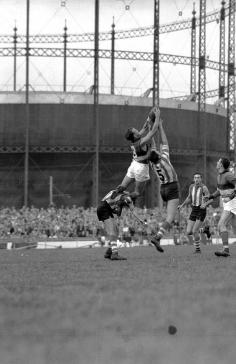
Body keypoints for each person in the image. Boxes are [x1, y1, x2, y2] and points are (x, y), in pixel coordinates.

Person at [112, 107, 160, 204]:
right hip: (141, 167)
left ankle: (116, 193)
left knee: (123, 186)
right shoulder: (141, 142)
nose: (138, 130)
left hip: (133, 165)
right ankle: (123, 199)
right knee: (137, 193)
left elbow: (144, 128)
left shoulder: (134, 140)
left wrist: (148, 119)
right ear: (134, 135)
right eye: (135, 131)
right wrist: (157, 117)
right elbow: (153, 131)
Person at [148, 118, 180, 252]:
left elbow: (153, 144)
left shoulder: (153, 163)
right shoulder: (164, 158)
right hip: (172, 187)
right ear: (159, 155)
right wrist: (160, 125)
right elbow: (164, 141)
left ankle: (160, 234)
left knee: (171, 216)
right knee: (171, 217)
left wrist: (152, 128)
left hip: (163, 189)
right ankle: (158, 236)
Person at [202, 157, 236, 257]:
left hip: (232, 202)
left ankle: (226, 250)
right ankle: (226, 250)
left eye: (218, 161)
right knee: (234, 228)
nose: (217, 162)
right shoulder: (219, 176)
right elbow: (219, 191)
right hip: (229, 203)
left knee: (221, 224)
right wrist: (210, 196)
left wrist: (230, 197)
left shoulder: (228, 175)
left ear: (221, 165)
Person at [97, 188, 135, 260]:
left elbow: (116, 212)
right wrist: (131, 205)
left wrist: (121, 208)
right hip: (104, 209)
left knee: (116, 231)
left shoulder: (116, 195)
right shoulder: (121, 195)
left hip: (106, 210)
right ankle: (114, 254)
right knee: (112, 232)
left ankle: (109, 252)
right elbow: (127, 199)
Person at [178, 173, 210, 253]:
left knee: (195, 231)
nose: (196, 179)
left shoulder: (204, 188)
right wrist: (182, 205)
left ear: (201, 179)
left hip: (201, 210)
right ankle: (204, 230)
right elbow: (189, 198)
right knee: (189, 232)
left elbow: (210, 198)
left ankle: (198, 249)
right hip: (194, 209)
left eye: (198, 177)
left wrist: (205, 204)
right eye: (195, 177)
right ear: (193, 179)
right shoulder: (191, 187)